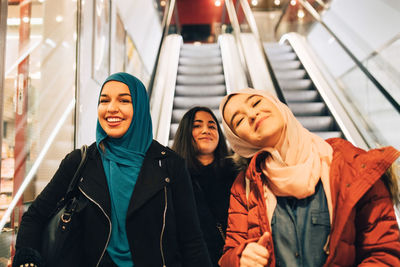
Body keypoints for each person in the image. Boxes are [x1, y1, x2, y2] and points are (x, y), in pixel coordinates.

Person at [13, 72, 212, 267]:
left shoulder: (170, 165)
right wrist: (28, 258)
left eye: (124, 101)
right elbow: (35, 216)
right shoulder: (80, 162)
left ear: (140, 107)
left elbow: (191, 240)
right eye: (104, 101)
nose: (111, 109)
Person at [218, 88, 400, 267]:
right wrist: (240, 258)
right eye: (239, 120)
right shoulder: (245, 186)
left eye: (256, 102)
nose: (252, 114)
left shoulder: (353, 165)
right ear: (239, 142)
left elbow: (384, 253)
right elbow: (229, 253)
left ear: (277, 104)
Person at [172, 106, 238, 266]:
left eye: (212, 126)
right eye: (197, 125)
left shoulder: (236, 173)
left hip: (234, 259)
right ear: (185, 133)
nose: (206, 130)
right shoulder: (173, 179)